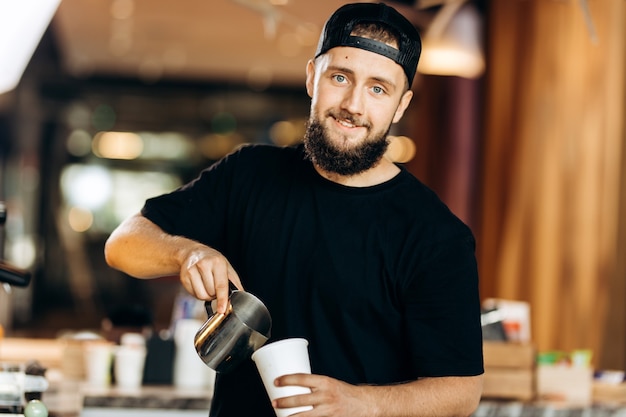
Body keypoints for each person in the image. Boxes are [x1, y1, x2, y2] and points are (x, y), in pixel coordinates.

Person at [104, 2, 484, 416]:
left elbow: (461, 393)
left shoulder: (435, 235)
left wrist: (364, 402)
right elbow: (122, 243)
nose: (354, 105)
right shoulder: (249, 174)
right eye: (340, 77)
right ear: (311, 78)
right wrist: (186, 252)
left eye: (378, 88)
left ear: (402, 105)